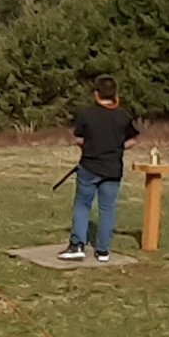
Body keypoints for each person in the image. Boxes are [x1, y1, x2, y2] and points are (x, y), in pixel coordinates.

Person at [61, 75, 139, 261]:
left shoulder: (86, 114)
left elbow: (79, 138)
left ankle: (77, 245)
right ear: (115, 94)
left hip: (89, 166)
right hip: (113, 169)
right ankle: (103, 250)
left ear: (96, 94)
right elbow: (132, 140)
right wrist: (116, 147)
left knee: (82, 205)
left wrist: (84, 144)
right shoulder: (123, 115)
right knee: (107, 209)